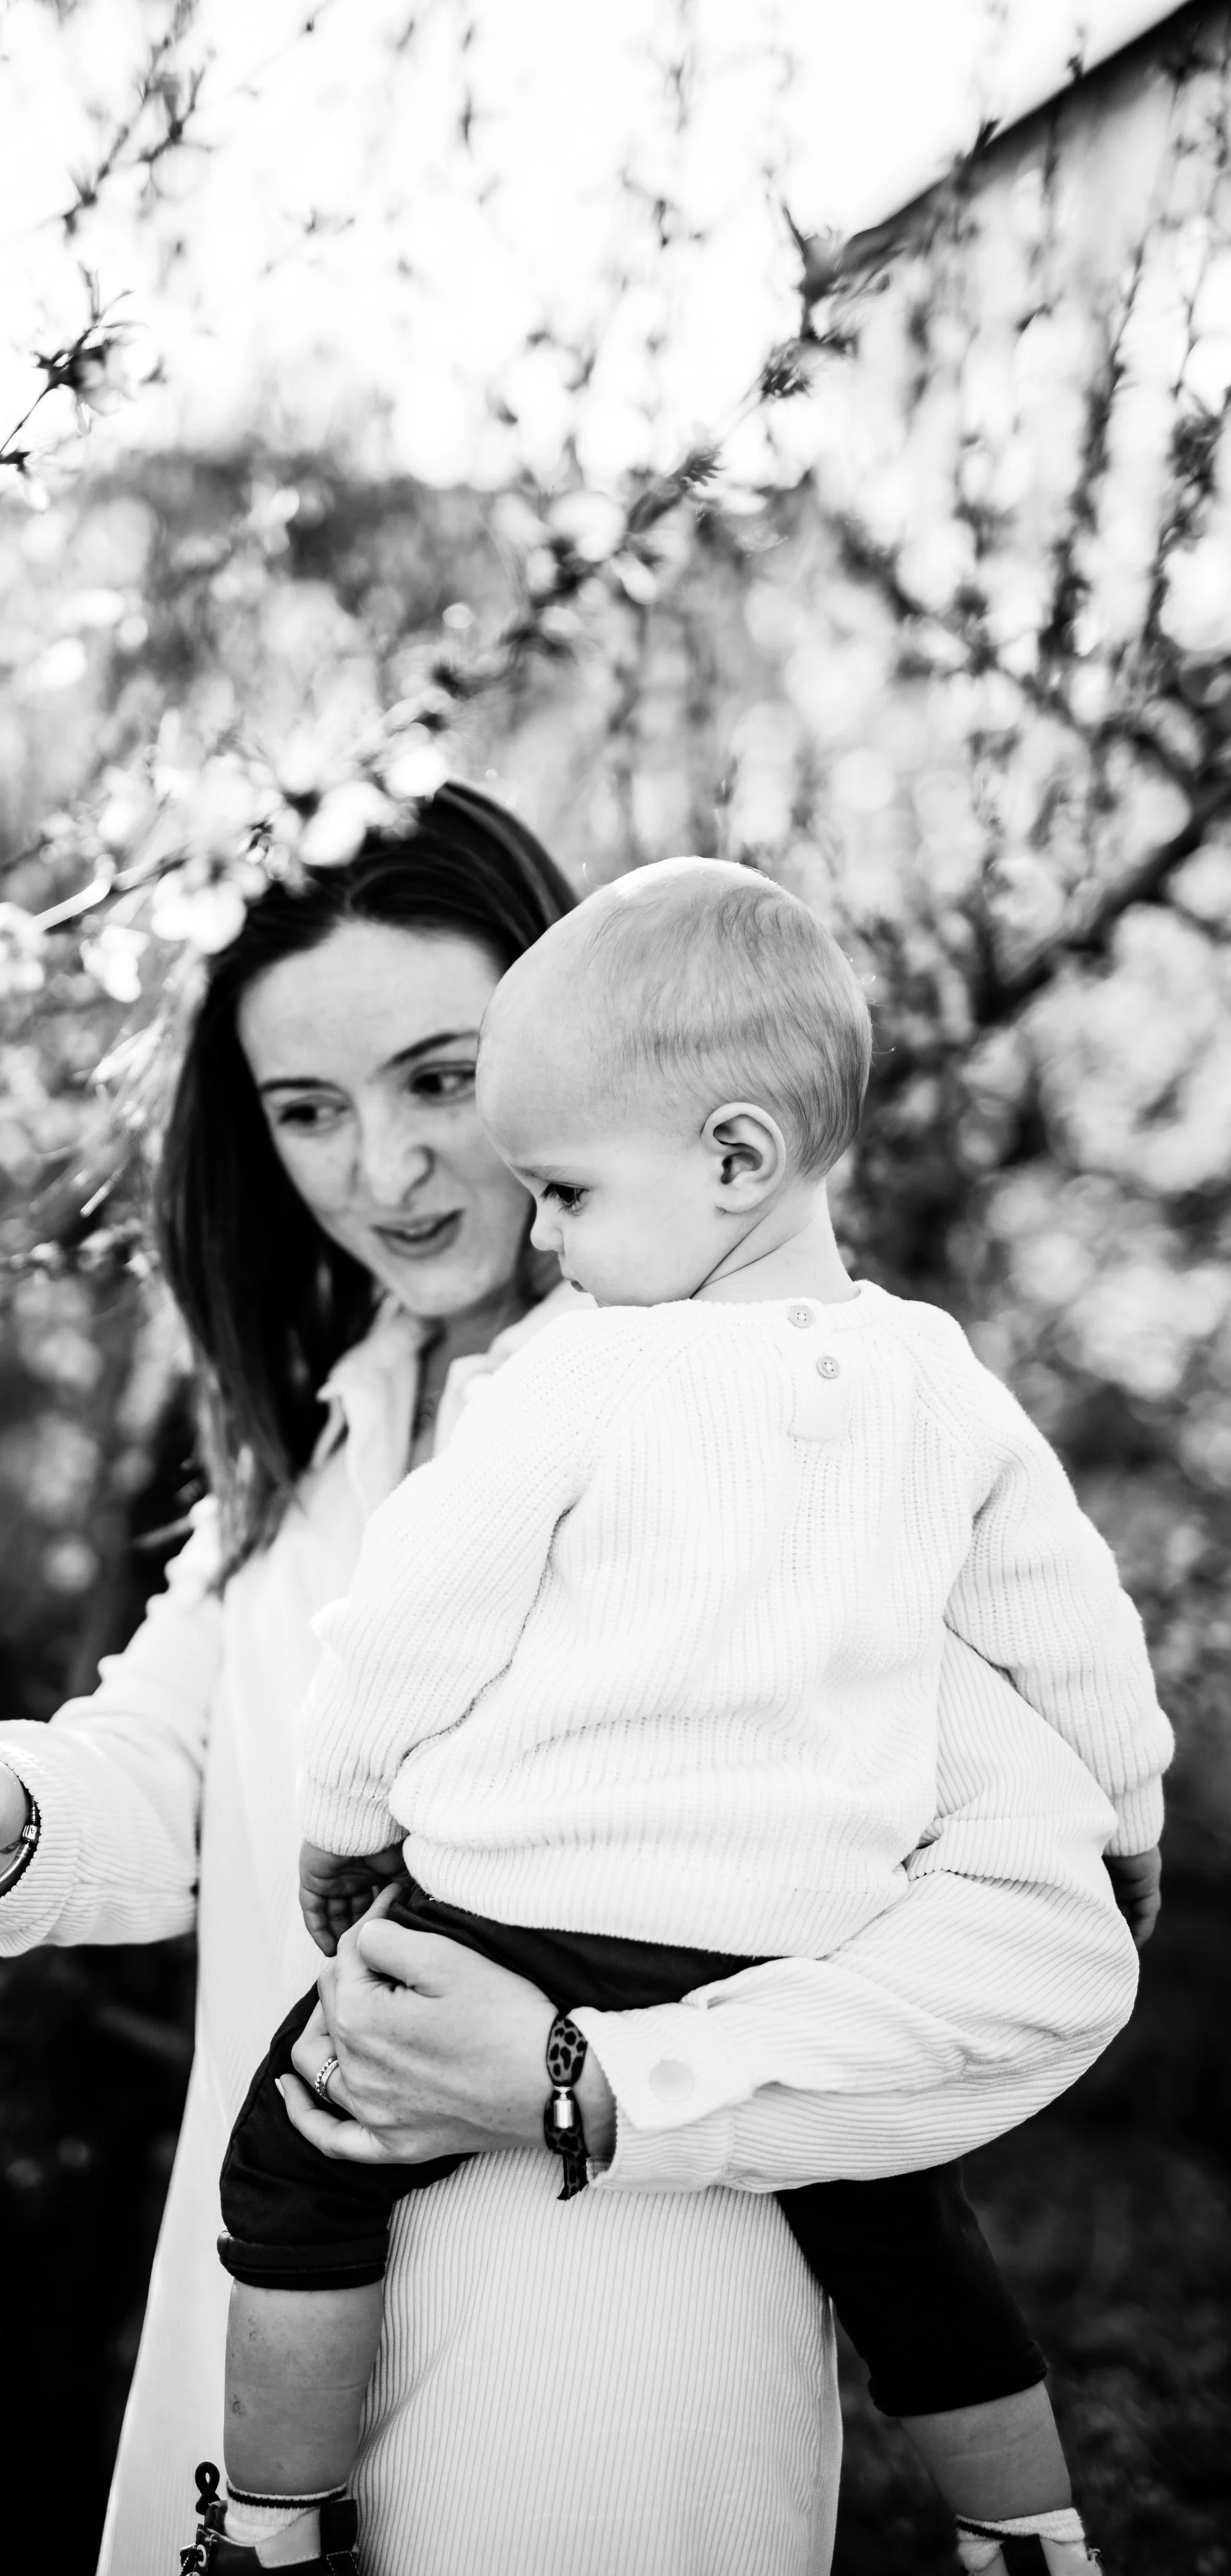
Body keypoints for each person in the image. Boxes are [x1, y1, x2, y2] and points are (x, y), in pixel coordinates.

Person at [0, 787, 1144, 2576]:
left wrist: (596, 2074)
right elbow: (183, 1749)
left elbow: (1039, 1935)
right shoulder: (331, 1420)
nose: (385, 1170)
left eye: (441, 1080)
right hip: (281, 2339)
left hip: (611, 2376)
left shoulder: (800, 1458)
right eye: (305, 1110)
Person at [205, 858, 1171, 2576]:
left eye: (564, 1192)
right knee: (896, 2222)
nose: (551, 1238)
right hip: (796, 1944)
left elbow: (410, 1624)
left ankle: (270, 2528)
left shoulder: (571, 1374)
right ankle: (1023, 2534)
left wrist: (343, 1824)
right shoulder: (932, 1382)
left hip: (527, 1921)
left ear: (732, 1156)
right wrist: (1125, 1823)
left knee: (297, 2159)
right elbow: (1067, 1627)